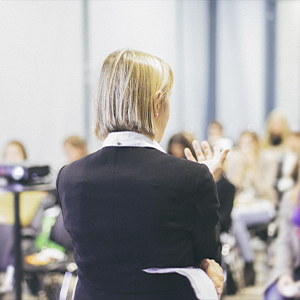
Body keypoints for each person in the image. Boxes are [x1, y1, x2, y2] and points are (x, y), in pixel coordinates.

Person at [56, 49, 228, 300]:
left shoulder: (69, 177)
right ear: (158, 103)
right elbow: (208, 260)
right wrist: (202, 182)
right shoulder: (191, 179)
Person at [225, 130, 277, 286]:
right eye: (242, 144)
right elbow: (231, 192)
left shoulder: (267, 160)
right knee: (234, 218)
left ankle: (248, 262)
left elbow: (265, 191)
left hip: (264, 206)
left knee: (235, 217)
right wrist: (241, 169)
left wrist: (253, 168)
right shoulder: (235, 161)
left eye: (249, 144)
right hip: (242, 208)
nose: (245, 147)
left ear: (256, 144)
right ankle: (249, 263)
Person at [264, 166, 300, 300]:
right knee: (274, 297)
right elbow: (284, 243)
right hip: (294, 270)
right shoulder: (291, 199)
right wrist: (284, 274)